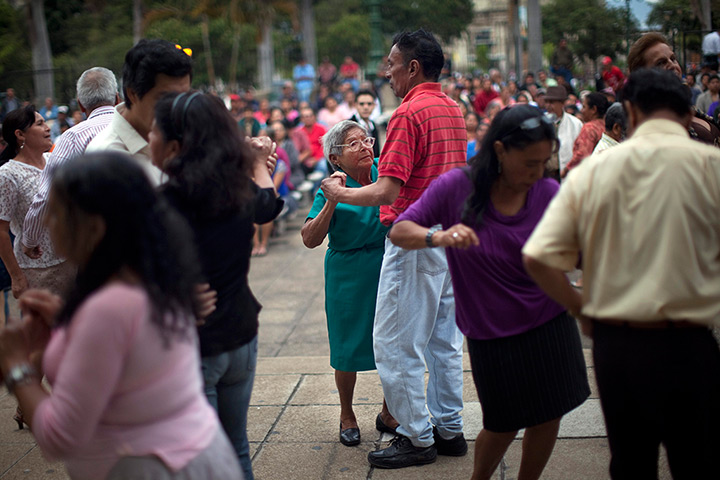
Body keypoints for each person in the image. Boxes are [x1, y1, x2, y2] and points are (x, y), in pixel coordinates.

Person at [523, 68, 720, 480]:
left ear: (629, 111)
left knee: (631, 463)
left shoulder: (595, 172)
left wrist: (582, 309)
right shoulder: (712, 166)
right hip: (693, 344)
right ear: (688, 114)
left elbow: (540, 258)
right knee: (698, 461)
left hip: (620, 344)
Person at [0, 151, 242, 479]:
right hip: (188, 455)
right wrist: (65, 325)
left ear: (94, 228)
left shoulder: (109, 309)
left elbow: (61, 437)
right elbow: (132, 358)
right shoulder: (156, 276)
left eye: (56, 215)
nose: (48, 225)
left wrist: (17, 366)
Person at [390, 104, 589, 480]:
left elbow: (577, 250)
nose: (538, 172)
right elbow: (400, 230)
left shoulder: (547, 191)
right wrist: (440, 236)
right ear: (499, 150)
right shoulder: (456, 187)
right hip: (492, 332)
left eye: (544, 162)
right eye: (529, 163)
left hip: (549, 323)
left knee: (549, 414)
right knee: (502, 423)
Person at [321, 28, 468, 469]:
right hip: (447, 239)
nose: (387, 73)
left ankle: (416, 436)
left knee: (395, 344)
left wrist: (338, 195)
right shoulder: (453, 109)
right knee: (443, 342)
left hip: (416, 239)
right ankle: (448, 429)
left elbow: (387, 190)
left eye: (391, 64)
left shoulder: (409, 112)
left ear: (413, 68)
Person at [150, 91, 282, 480]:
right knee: (236, 451)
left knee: (203, 462)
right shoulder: (236, 189)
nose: (149, 139)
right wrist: (258, 164)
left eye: (155, 132)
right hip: (241, 335)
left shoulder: (165, 203)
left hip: (198, 346)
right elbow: (267, 205)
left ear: (175, 146)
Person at [301, 120, 392, 447]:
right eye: (353, 144)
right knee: (345, 344)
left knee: (391, 342)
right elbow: (310, 238)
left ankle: (389, 409)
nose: (366, 146)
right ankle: (346, 413)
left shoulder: (386, 171)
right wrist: (333, 200)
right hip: (347, 272)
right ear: (336, 158)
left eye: (366, 140)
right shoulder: (331, 186)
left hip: (386, 265)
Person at [22, 67, 118, 294]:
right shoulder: (141, 127)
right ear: (117, 98)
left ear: (81, 105)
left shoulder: (73, 137)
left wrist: (30, 239)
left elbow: (46, 195)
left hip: (97, 248)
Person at [87, 39, 193, 185]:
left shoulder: (189, 140)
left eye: (184, 97)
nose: (176, 107)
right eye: (166, 99)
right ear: (133, 94)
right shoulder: (105, 159)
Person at [0, 106, 55, 299]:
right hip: (36, 271)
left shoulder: (54, 160)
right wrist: (16, 277)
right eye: (40, 124)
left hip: (70, 262)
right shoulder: (8, 174)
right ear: (20, 134)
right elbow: (1, 230)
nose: (48, 128)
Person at [627, 32, 720, 146]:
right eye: (660, 63)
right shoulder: (651, 126)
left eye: (673, 58)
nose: (672, 65)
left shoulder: (690, 110)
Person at [563, 92, 609, 176]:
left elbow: (582, 154)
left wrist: (566, 170)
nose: (581, 110)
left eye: (584, 107)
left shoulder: (589, 128)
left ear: (594, 109)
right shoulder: (607, 126)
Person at [544, 86, 582, 180]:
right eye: (547, 102)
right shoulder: (541, 122)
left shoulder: (575, 124)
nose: (548, 106)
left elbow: (580, 152)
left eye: (552, 102)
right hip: (546, 175)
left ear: (562, 103)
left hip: (567, 176)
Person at [349, 89, 381, 158]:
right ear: (355, 105)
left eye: (369, 104)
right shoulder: (349, 126)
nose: (366, 107)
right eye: (362, 104)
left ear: (374, 105)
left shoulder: (373, 126)